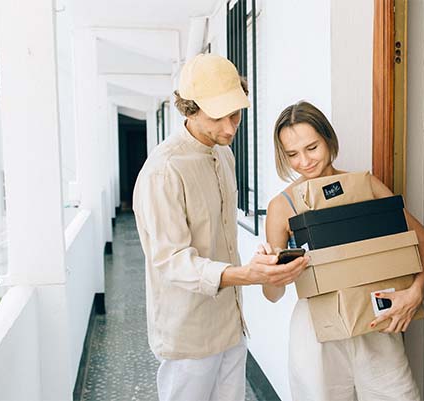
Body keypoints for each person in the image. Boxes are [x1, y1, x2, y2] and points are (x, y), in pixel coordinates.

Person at [132, 54, 308, 401]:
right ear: (189, 109)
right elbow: (171, 262)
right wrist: (247, 275)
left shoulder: (223, 154)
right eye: (218, 117)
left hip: (231, 323)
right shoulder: (163, 172)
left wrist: (260, 264)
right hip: (188, 334)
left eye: (235, 114)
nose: (230, 128)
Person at [263, 101, 424, 401]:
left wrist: (416, 293)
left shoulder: (365, 186)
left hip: (373, 321)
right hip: (316, 332)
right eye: (292, 154)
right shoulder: (282, 206)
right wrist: (272, 272)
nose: (304, 161)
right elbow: (272, 294)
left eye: (312, 147)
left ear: (329, 140)